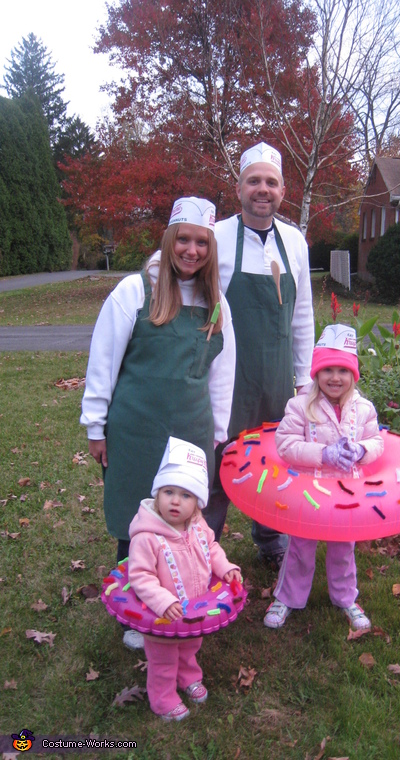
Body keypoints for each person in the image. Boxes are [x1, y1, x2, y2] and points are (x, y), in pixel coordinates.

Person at [80, 197, 236, 650]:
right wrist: (96, 425)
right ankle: (135, 607)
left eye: (201, 242)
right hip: (136, 427)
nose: (191, 250)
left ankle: (183, 595)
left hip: (191, 428)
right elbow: (103, 359)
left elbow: (223, 370)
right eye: (183, 240)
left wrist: (219, 432)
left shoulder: (216, 302)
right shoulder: (134, 291)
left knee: (181, 517)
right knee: (138, 515)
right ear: (169, 241)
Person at [203, 143, 315, 568]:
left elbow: (302, 314)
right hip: (224, 377)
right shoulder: (215, 238)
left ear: (283, 191)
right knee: (217, 463)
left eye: (270, 182)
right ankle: (203, 543)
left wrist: (304, 381)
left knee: (273, 462)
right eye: (254, 181)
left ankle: (270, 540)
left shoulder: (295, 241)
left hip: (276, 379)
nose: (262, 189)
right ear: (239, 188)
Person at [263, 324, 384, 630]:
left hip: (347, 493)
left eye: (342, 370)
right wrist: (323, 453)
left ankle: (346, 597)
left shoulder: (364, 409)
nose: (335, 377)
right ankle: (288, 597)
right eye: (327, 369)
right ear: (315, 373)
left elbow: (377, 442)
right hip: (309, 492)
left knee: (344, 548)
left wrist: (360, 450)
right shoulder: (301, 406)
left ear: (353, 375)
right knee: (300, 547)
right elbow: (286, 443)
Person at [128, 436, 242, 722]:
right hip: (164, 614)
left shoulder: (197, 526)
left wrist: (224, 567)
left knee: (191, 646)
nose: (176, 500)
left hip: (195, 608)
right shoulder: (146, 537)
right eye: (168, 491)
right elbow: (140, 575)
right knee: (163, 659)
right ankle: (163, 699)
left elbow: (211, 548)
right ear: (157, 495)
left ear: (197, 504)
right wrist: (162, 600)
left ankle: (188, 676)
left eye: (186, 495)